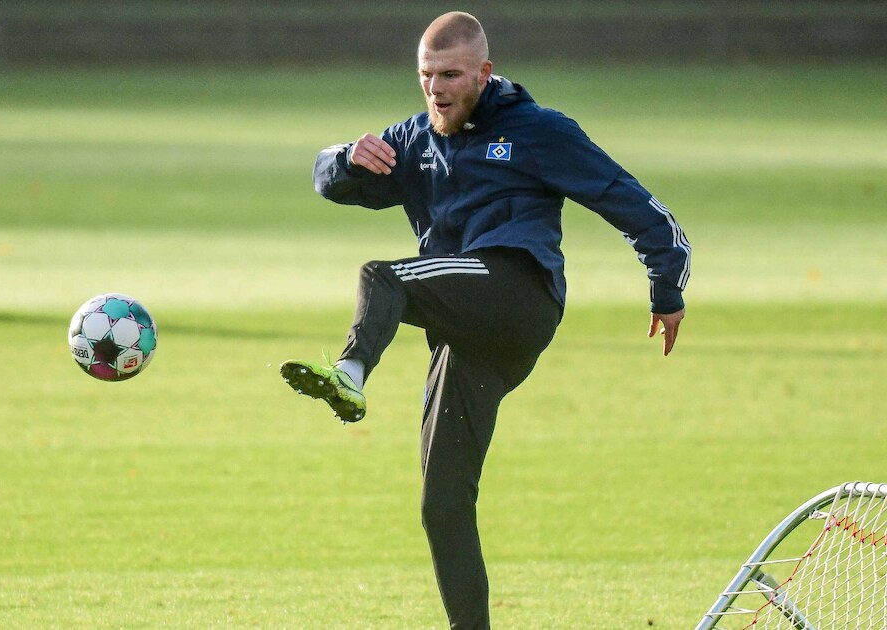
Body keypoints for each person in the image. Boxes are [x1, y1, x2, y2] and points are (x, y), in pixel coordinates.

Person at [279, 11, 690, 630]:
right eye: (426, 76)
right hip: (470, 332)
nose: (436, 88)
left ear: (484, 73)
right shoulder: (418, 139)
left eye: (450, 74)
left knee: (381, 277)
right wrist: (345, 156)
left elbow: (626, 198)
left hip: (519, 294)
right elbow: (328, 182)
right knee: (441, 506)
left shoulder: (537, 130)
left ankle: (350, 373)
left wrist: (665, 285)